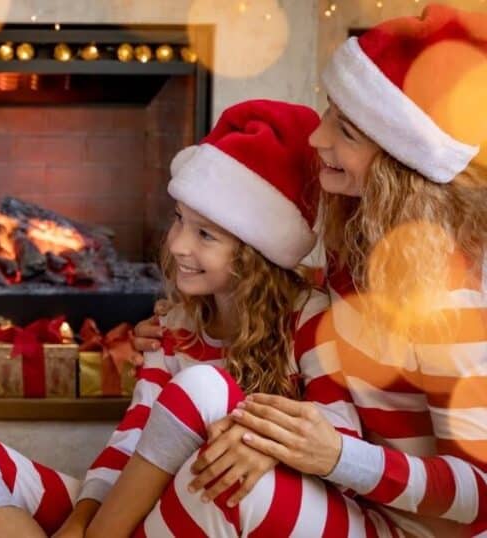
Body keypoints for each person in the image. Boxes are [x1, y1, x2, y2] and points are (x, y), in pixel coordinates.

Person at [131, 5, 487, 535]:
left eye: (345, 130)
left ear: (399, 164)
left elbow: (481, 493)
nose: (317, 140)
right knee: (217, 469)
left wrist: (333, 456)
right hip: (351, 497)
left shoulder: (453, 300)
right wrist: (190, 317)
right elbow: (306, 315)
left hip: (413, 529)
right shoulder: (356, 261)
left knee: (228, 493)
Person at [53, 99, 358, 537]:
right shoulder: (173, 326)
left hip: (298, 512)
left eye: (205, 234)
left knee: (202, 392)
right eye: (180, 220)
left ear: (256, 253)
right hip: (196, 502)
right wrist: (80, 520)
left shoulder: (311, 319)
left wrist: (269, 445)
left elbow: (342, 431)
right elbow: (135, 434)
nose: (177, 244)